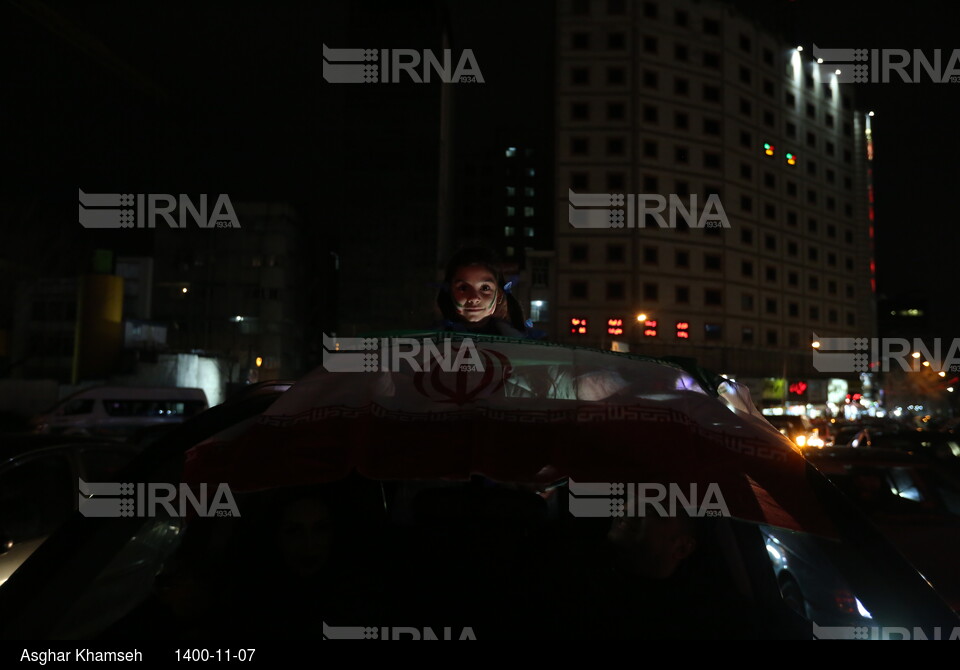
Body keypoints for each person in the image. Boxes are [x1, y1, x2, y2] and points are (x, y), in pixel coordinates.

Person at [435, 246, 543, 339]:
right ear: (449, 292)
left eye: (485, 288)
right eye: (463, 288)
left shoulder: (522, 346)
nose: (474, 298)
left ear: (499, 294)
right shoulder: (426, 344)